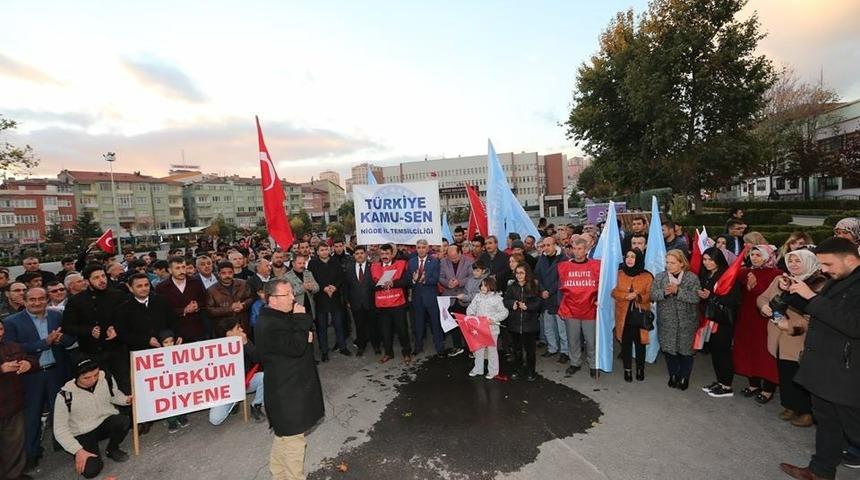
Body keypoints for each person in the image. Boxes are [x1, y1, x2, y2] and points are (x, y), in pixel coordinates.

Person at [778, 237, 860, 480]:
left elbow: (853, 325)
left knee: (854, 428)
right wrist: (792, 293)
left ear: (849, 259)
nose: (823, 269)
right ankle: (820, 471)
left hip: (847, 372)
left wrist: (812, 298)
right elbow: (821, 311)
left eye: (827, 264)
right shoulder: (839, 278)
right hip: (825, 367)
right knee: (827, 423)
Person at [255, 279, 324, 480]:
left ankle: (278, 475)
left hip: (291, 387)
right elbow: (296, 347)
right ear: (272, 299)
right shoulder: (270, 324)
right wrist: (301, 320)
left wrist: (302, 334)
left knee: (284, 436)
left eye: (292, 293)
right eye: (287, 294)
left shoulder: (278, 317)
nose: (293, 298)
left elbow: (298, 343)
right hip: (287, 391)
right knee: (294, 441)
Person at [3, 287, 76, 471]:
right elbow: (14, 349)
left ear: (47, 299)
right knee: (31, 416)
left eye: (41, 299)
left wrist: (61, 339)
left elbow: (70, 339)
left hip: (56, 372)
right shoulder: (11, 322)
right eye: (32, 299)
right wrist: (44, 343)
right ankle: (31, 454)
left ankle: (62, 444)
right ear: (25, 301)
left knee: (60, 411)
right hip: (30, 376)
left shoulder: (56, 316)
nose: (37, 303)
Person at [757, 249, 826, 428]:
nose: (793, 264)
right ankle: (790, 405)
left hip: (799, 339)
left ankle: (806, 412)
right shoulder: (782, 279)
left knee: (800, 375)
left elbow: (816, 317)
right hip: (778, 336)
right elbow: (763, 297)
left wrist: (790, 325)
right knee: (785, 373)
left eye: (798, 261)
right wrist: (764, 306)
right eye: (791, 260)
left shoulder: (818, 284)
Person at [53, 358, 132, 479]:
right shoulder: (64, 396)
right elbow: (60, 430)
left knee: (123, 421)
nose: (93, 380)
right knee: (91, 471)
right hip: (82, 433)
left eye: (96, 375)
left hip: (103, 422)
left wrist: (126, 400)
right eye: (86, 378)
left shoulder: (105, 378)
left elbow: (113, 395)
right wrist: (77, 450)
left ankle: (112, 449)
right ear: (76, 377)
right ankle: (87, 451)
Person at [64, 264, 132, 391]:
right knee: (101, 389)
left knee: (125, 386)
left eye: (103, 276)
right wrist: (88, 331)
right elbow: (67, 326)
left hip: (117, 351)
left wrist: (116, 328)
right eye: (96, 278)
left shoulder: (118, 295)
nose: (102, 280)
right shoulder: (76, 301)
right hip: (92, 353)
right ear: (86, 281)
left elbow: (129, 319)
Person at [733, 245, 783, 403]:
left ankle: (768, 389)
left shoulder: (777, 274)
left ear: (768, 257)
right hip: (746, 318)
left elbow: (774, 298)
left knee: (766, 354)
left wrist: (755, 287)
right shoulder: (745, 272)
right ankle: (753, 384)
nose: (754, 258)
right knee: (748, 350)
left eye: (759, 255)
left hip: (765, 319)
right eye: (752, 254)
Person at [651, 249, 701, 391]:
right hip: (667, 321)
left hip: (687, 322)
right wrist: (665, 293)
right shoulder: (660, 277)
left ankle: (684, 376)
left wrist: (678, 291)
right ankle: (673, 375)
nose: (669, 265)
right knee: (669, 350)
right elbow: (653, 295)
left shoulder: (691, 278)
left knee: (686, 351)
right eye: (667, 262)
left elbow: (696, 297)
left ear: (681, 263)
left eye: (672, 263)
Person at [697, 248, 742, 398]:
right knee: (715, 352)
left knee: (723, 352)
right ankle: (720, 381)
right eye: (705, 259)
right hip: (710, 318)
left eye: (711, 259)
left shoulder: (728, 276)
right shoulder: (706, 274)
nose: (707, 263)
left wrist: (711, 296)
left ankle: (727, 386)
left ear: (719, 260)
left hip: (723, 321)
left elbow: (734, 300)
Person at [558, 237, 601, 377]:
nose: (577, 252)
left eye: (580, 249)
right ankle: (575, 363)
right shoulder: (564, 266)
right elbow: (560, 289)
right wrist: (561, 307)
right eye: (574, 249)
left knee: (591, 341)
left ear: (586, 250)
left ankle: (593, 364)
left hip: (590, 309)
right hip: (571, 309)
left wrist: (599, 300)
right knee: (573, 340)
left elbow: (602, 286)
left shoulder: (596, 266)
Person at [209, 317, 265, 425]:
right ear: (229, 333)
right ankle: (234, 403)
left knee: (264, 377)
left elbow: (258, 359)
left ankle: (256, 405)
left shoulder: (243, 340)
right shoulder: (213, 348)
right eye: (238, 328)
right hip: (226, 389)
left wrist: (246, 343)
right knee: (215, 420)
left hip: (244, 382)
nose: (242, 330)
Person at [0, 320, 36, 480]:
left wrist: (29, 364)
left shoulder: (12, 346)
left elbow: (32, 360)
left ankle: (14, 475)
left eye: (1, 329)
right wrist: (1, 369)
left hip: (12, 404)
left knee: (14, 444)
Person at [611, 249, 653, 382]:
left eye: (633, 257)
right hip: (623, 316)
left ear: (638, 259)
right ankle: (627, 370)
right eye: (627, 256)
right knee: (626, 344)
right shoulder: (619, 274)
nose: (629, 259)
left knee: (640, 344)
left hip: (640, 316)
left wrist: (638, 297)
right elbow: (613, 291)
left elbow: (651, 295)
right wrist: (625, 296)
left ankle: (640, 369)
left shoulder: (647, 276)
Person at [371, 244, 412, 364]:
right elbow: (370, 285)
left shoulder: (401, 264)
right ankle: (388, 353)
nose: (384, 256)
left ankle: (406, 353)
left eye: (387, 253)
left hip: (398, 304)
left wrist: (393, 283)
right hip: (382, 305)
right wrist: (380, 284)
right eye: (382, 254)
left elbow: (407, 281)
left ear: (392, 254)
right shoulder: (374, 266)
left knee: (402, 330)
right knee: (385, 332)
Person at [308, 243, 349, 357]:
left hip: (335, 297)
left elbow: (341, 276)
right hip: (321, 298)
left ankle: (343, 347)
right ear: (317, 252)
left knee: (339, 325)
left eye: (326, 249)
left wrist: (335, 287)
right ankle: (324, 351)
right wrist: (323, 288)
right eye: (322, 250)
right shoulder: (313, 263)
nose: (324, 252)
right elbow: (312, 279)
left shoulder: (335, 261)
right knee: (322, 327)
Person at [155, 256, 209, 343]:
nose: (181, 271)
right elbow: (162, 311)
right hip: (176, 332)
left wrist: (197, 305)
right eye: (177, 268)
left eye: (183, 267)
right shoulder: (161, 288)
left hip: (197, 330)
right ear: (170, 270)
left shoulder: (196, 282)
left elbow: (205, 301)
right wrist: (184, 310)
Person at [534, 236, 570, 364]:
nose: (546, 248)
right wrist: (542, 290)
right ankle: (552, 348)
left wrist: (549, 291)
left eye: (548, 245)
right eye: (544, 245)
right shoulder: (542, 258)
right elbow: (537, 276)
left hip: (558, 298)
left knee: (562, 328)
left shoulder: (563, 259)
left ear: (555, 245)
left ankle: (565, 351)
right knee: (548, 326)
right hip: (545, 298)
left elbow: (562, 279)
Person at [504, 264, 541, 381]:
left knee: (530, 351)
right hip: (515, 324)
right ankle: (518, 370)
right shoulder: (512, 287)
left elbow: (538, 303)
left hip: (529, 325)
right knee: (517, 350)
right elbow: (505, 300)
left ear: (527, 274)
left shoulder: (533, 286)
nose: (519, 275)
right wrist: (512, 304)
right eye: (517, 273)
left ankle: (531, 371)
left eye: (522, 273)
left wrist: (528, 307)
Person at [466, 277, 508, 379]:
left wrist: (493, 319)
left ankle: (493, 371)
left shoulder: (497, 299)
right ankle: (478, 369)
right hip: (479, 328)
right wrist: (471, 315)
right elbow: (471, 308)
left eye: (485, 285)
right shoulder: (477, 297)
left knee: (492, 351)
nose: (482, 287)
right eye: (481, 285)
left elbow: (504, 312)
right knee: (478, 350)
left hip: (492, 329)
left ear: (491, 286)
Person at [343, 246, 380, 357]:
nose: (359, 255)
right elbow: (346, 286)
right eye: (357, 253)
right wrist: (347, 300)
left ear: (365, 254)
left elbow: (376, 283)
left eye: (361, 253)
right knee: (359, 326)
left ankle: (376, 346)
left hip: (371, 301)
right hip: (356, 303)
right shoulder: (349, 268)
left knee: (373, 325)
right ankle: (361, 347)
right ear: (354, 255)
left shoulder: (372, 266)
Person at [283, 254, 322, 358]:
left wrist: (311, 288)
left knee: (310, 333)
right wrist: (302, 288)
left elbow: (317, 287)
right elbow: (289, 293)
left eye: (303, 263)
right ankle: (302, 356)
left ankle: (311, 356)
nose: (302, 265)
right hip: (297, 311)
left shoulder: (308, 273)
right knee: (300, 334)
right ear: (293, 263)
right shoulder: (287, 277)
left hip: (309, 309)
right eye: (299, 263)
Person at [439, 244, 473, 357]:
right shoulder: (443, 262)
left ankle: (471, 347)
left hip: (464, 297)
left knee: (467, 325)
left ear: (460, 253)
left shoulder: (469, 261)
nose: (453, 260)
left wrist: (459, 282)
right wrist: (447, 283)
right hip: (450, 297)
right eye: (450, 257)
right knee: (453, 324)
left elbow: (472, 277)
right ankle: (457, 346)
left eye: (455, 257)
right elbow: (440, 277)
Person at [207, 261, 254, 338]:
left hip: (243, 325)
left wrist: (243, 305)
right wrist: (230, 309)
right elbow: (210, 311)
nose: (227, 275)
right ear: (218, 274)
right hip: (225, 329)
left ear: (233, 272)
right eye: (223, 273)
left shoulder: (243, 283)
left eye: (230, 272)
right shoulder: (211, 290)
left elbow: (250, 298)